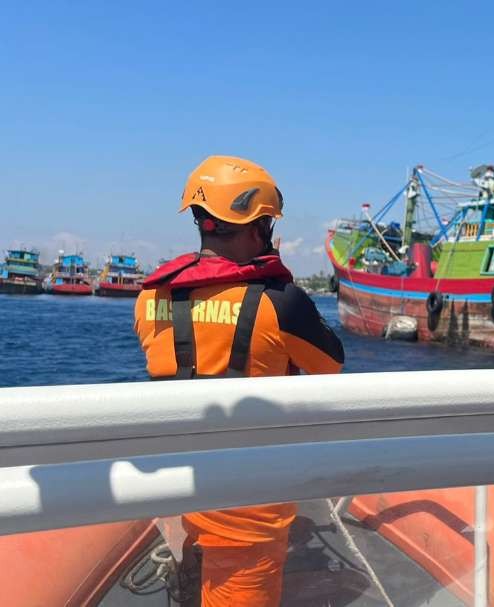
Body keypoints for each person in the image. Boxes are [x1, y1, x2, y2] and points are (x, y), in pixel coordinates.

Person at [134, 155, 344, 606]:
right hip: (252, 503)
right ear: (261, 225)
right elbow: (333, 367)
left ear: (200, 220)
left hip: (181, 483)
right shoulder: (281, 303)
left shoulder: (152, 296)